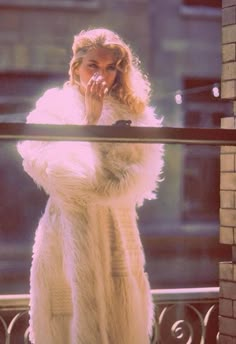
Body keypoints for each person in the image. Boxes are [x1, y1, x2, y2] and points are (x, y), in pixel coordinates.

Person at [17, 27, 164, 344]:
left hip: (117, 230)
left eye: (111, 67)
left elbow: (129, 180)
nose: (103, 75)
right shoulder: (52, 109)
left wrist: (100, 175)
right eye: (93, 66)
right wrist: (89, 120)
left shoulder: (134, 113)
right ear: (76, 67)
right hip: (66, 231)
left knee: (119, 321)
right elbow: (62, 175)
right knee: (67, 319)